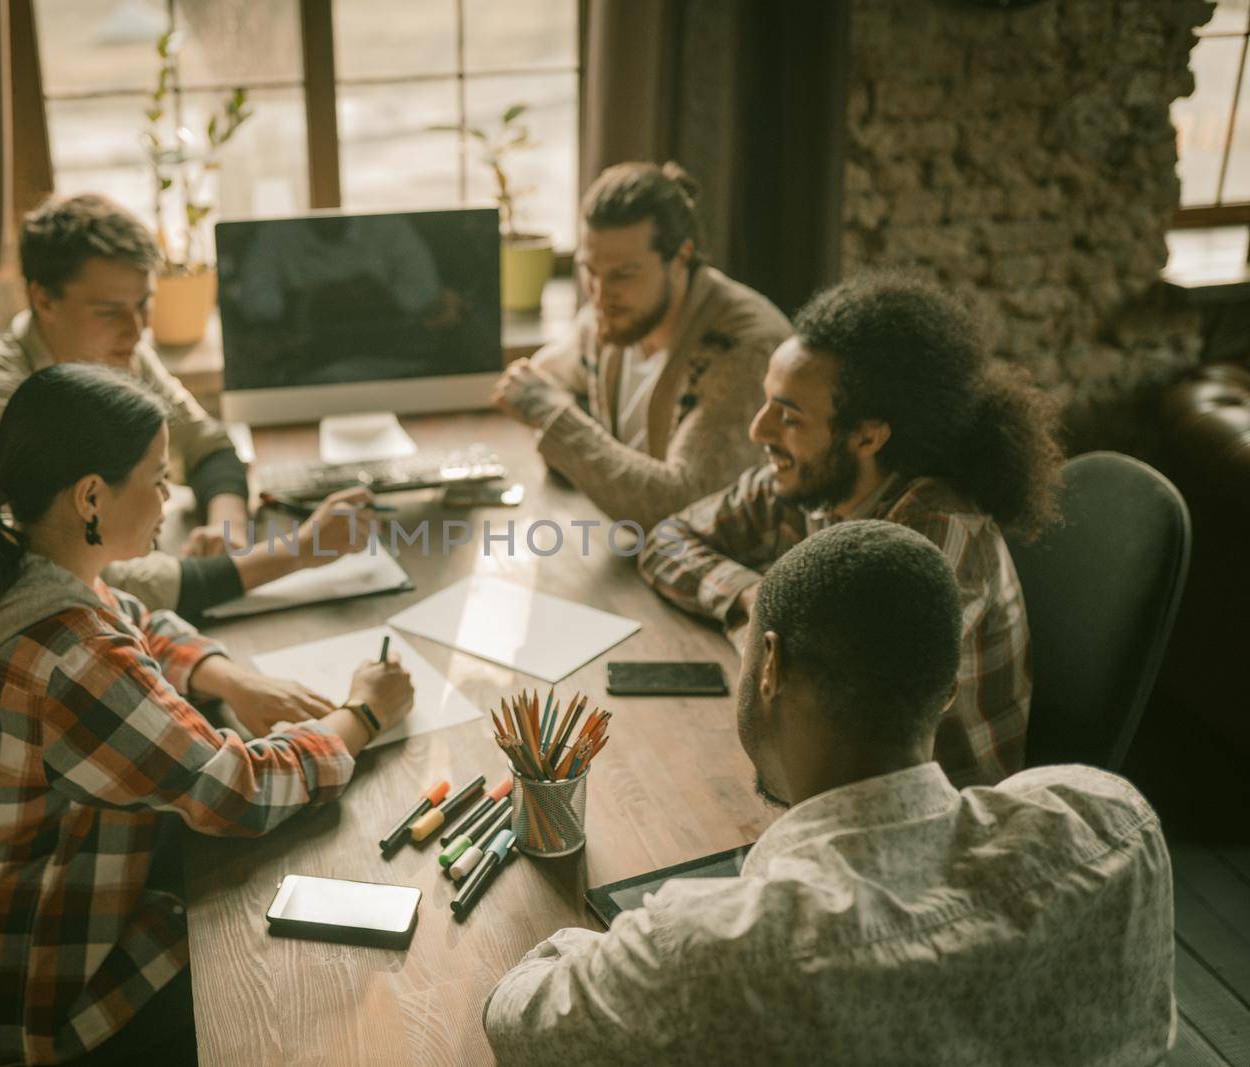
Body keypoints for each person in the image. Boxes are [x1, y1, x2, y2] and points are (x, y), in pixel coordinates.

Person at [0, 364, 414, 1067]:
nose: (169, 499)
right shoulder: (70, 656)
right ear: (92, 496)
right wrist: (362, 714)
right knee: (305, 988)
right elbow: (239, 789)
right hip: (11, 1010)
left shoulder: (13, 563)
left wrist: (226, 676)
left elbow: (138, 619)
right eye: (159, 479)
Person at [485, 521, 1175, 1066]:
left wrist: (604, 945)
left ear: (771, 667)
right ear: (945, 691)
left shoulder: (717, 948)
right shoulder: (1113, 821)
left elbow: (516, 1020)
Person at [640, 273, 1063, 787]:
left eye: (789, 417)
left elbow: (844, 724)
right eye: (767, 400)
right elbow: (666, 540)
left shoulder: (937, 539)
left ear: (866, 437)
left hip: (936, 821)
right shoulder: (811, 481)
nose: (759, 430)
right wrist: (752, 596)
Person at [0, 192, 360, 624]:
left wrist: (229, 530)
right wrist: (299, 550)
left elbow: (205, 442)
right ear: (43, 299)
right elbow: (105, 582)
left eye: (143, 304)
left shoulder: (114, 352)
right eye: (109, 311)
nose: (135, 330)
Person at [491, 161, 791, 531]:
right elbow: (537, 380)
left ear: (681, 257)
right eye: (590, 271)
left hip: (722, 564)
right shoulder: (613, 317)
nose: (600, 295)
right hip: (624, 547)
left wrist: (556, 418)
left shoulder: (745, 348)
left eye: (623, 274)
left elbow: (682, 506)